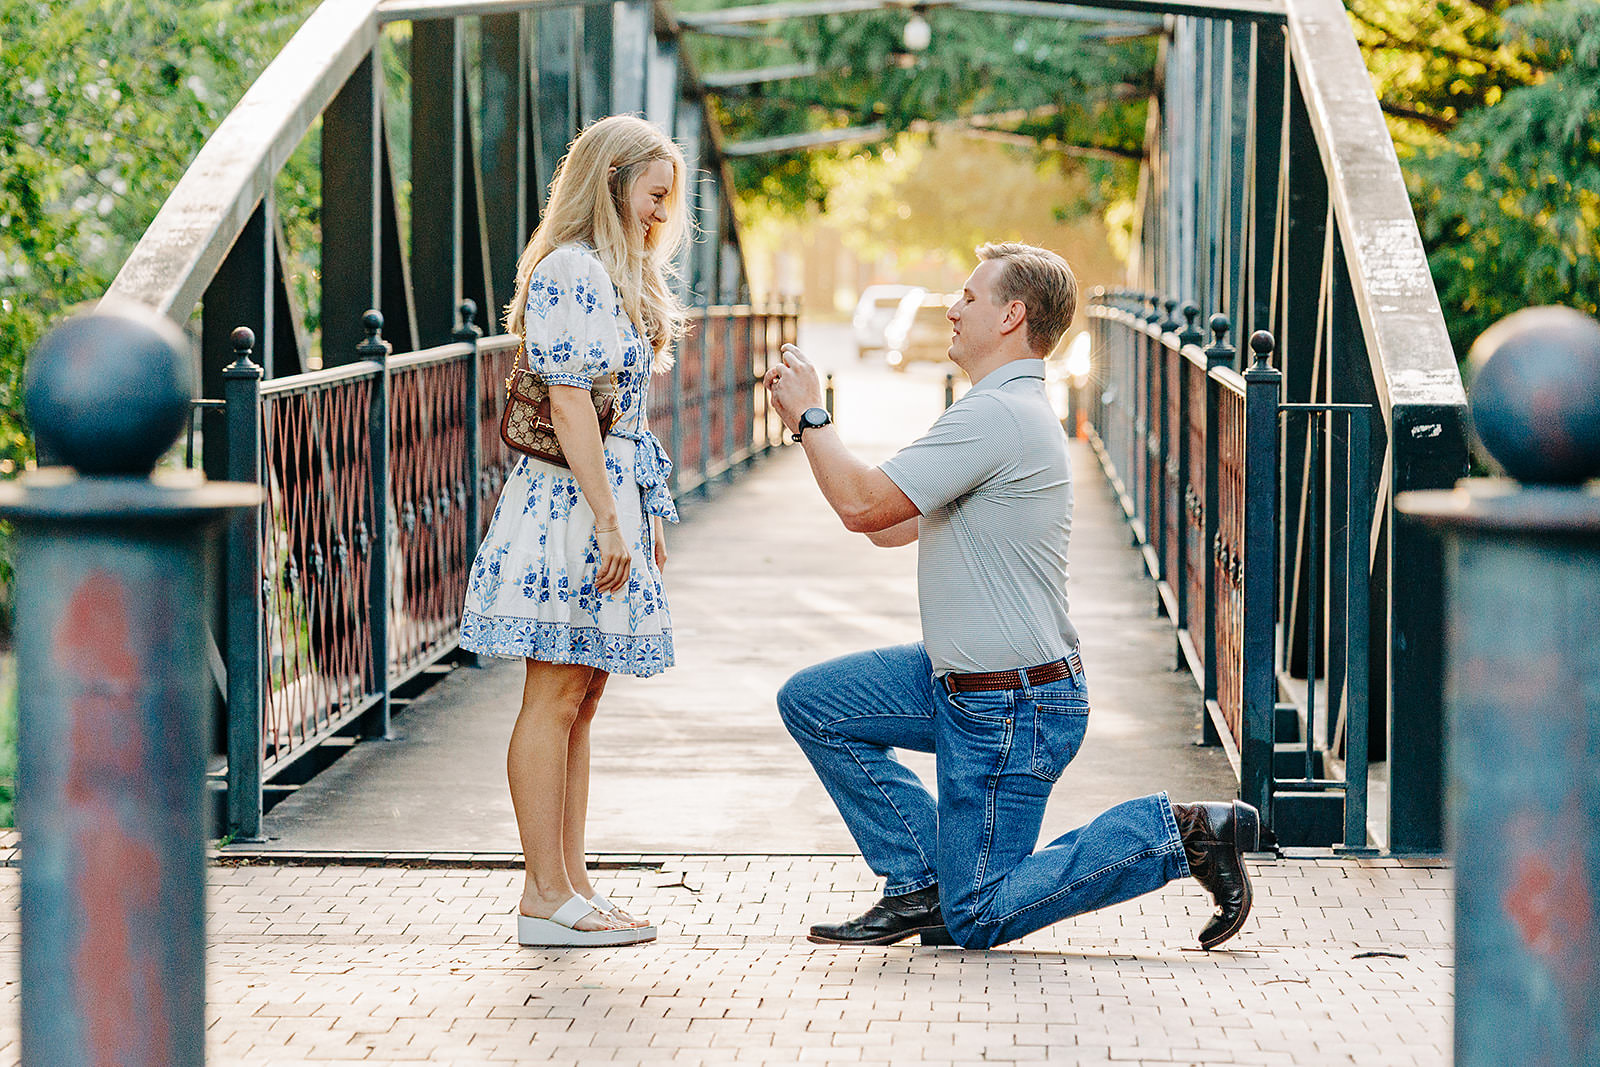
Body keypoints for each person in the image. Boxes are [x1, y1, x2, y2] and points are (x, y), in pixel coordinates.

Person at [763, 242, 1258, 951]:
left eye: (968, 295)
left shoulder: (997, 417)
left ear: (1012, 315)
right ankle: (916, 882)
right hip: (960, 682)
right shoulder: (1000, 409)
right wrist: (818, 436)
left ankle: (1183, 835)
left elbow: (862, 507)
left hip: (1012, 705)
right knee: (815, 703)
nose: (951, 306)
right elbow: (888, 524)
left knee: (981, 915)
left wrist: (812, 417)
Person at [460, 115, 687, 947]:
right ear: (611, 180)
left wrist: (645, 508)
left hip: (601, 498)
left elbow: (624, 414)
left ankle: (572, 887)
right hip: (566, 506)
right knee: (554, 693)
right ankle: (541, 895)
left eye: (669, 198)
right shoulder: (570, 270)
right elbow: (567, 402)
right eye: (652, 194)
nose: (661, 212)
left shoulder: (611, 275)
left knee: (582, 698)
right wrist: (606, 514)